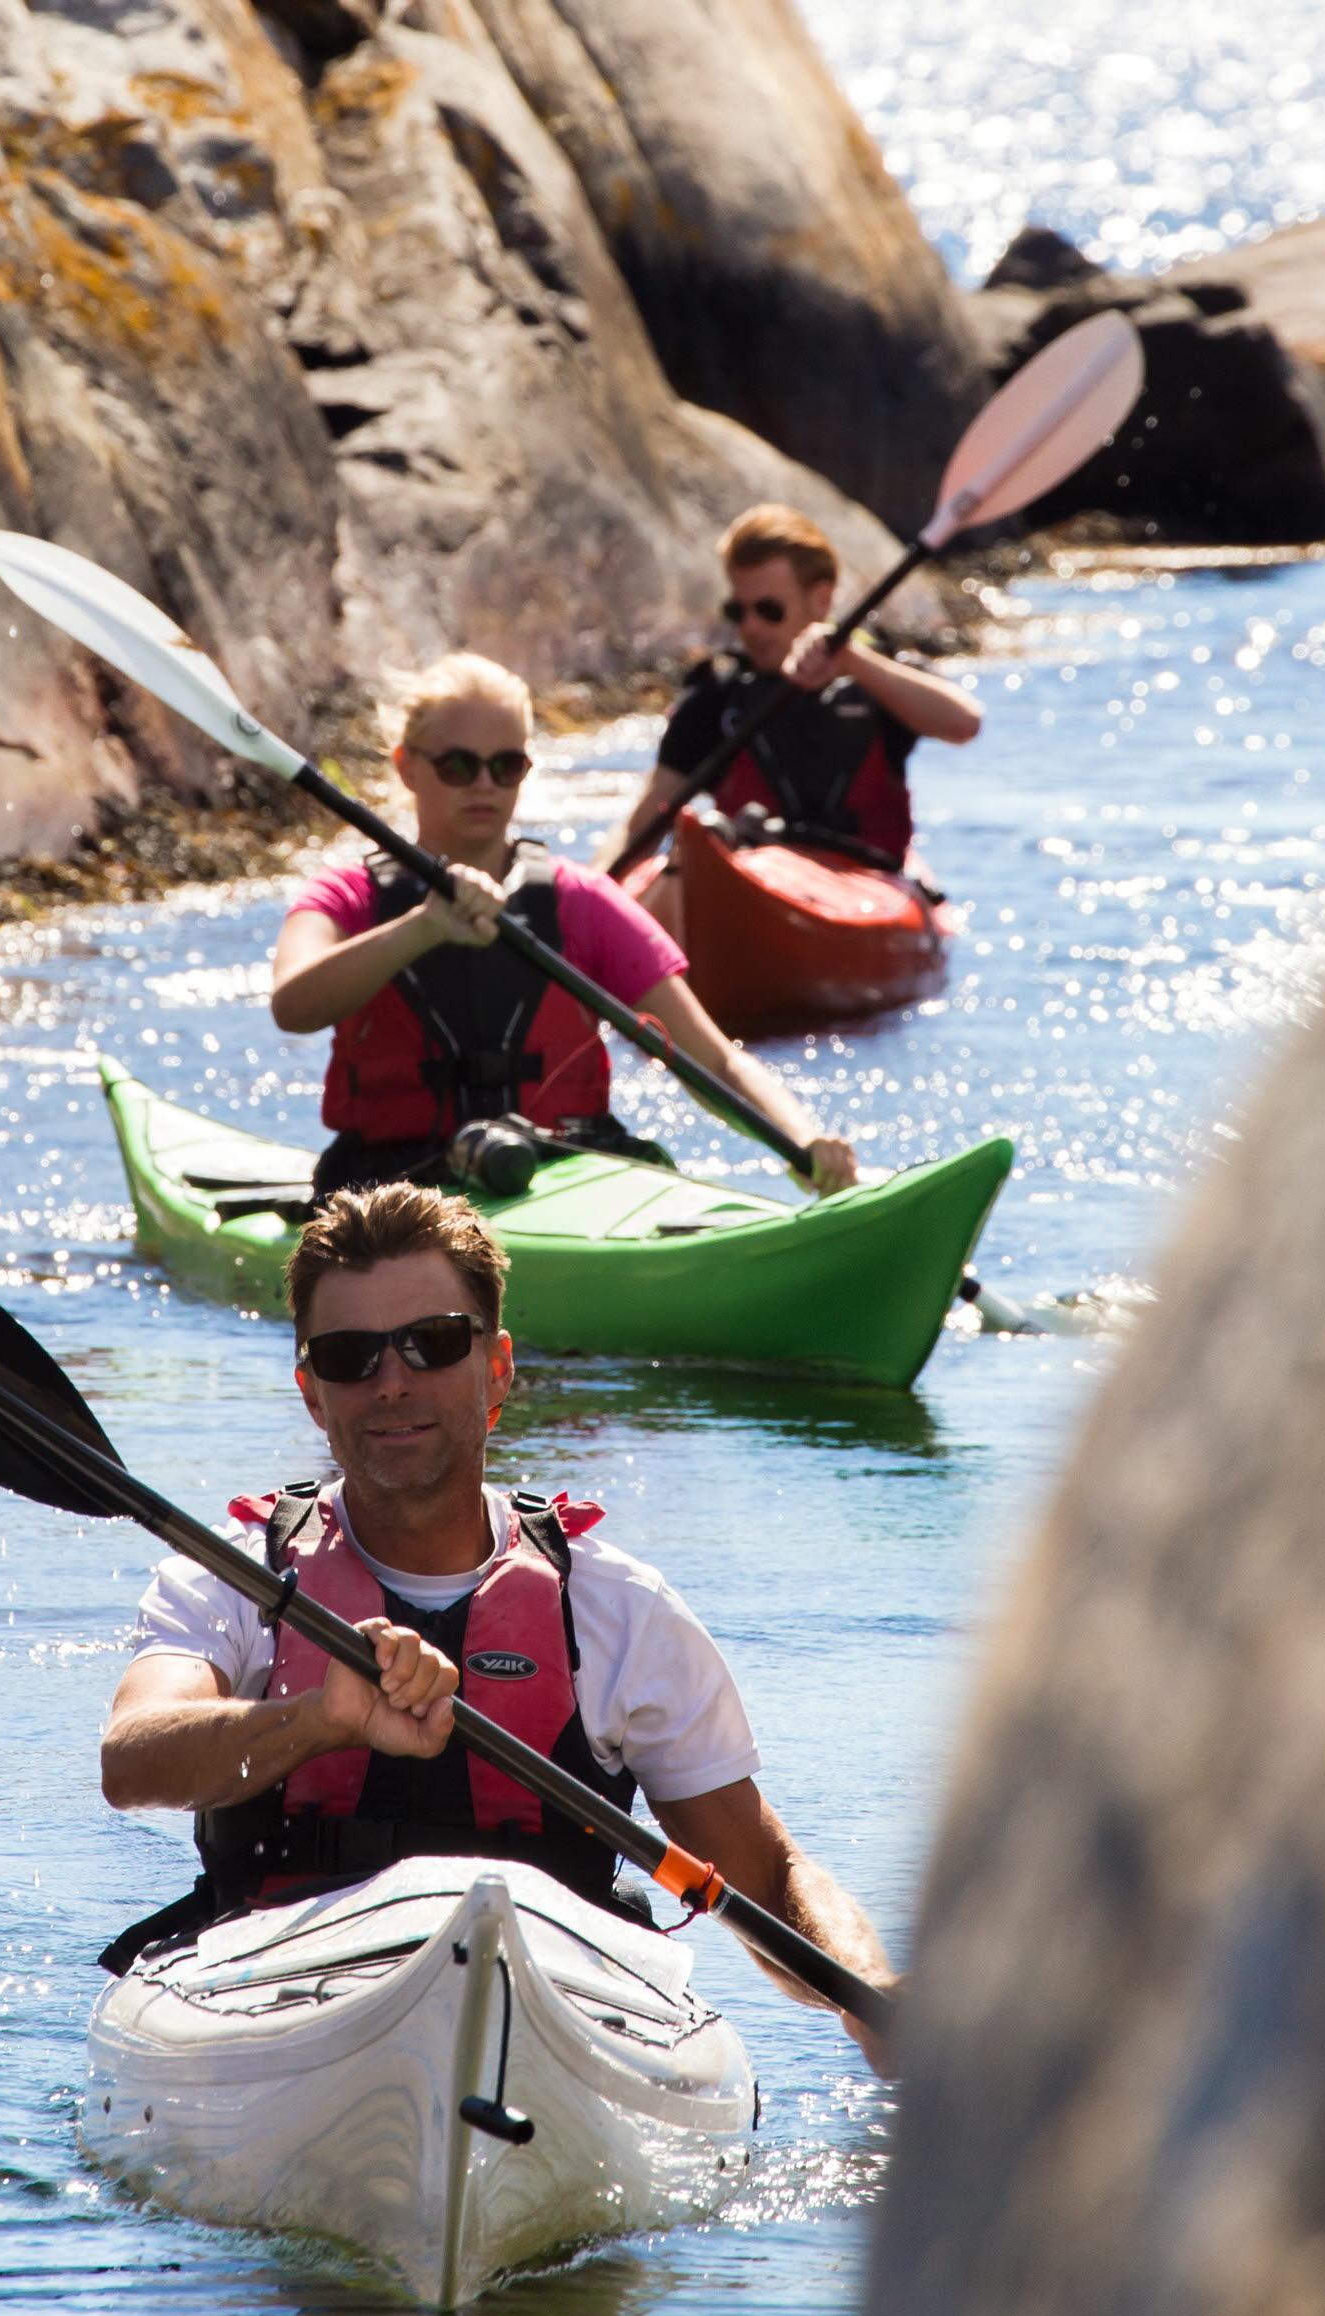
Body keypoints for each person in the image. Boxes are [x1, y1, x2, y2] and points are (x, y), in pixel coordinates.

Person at [99, 1183, 894, 2063]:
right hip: (278, 2000)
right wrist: (321, 1719)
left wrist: (874, 1994)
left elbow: (772, 1881)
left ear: (499, 1370)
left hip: (553, 2013)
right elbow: (132, 1759)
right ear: (313, 1393)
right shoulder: (240, 1575)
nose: (392, 1381)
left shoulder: (617, 1609)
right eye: (350, 1354)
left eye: (432, 1344)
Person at [271, 651, 857, 1197]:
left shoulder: (582, 902)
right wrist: (421, 927)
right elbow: (292, 1005)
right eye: (458, 765)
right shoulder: (347, 896)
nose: (485, 785)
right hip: (394, 1186)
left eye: (507, 766)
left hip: (561, 1173)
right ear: (406, 767)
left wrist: (802, 1140)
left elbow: (716, 1059)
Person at [603, 504, 981, 935]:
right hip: (752, 872)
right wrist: (588, 894)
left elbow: (965, 724)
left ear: (820, 600)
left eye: (769, 610)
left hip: (864, 877)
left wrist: (853, 661)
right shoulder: (718, 694)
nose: (751, 627)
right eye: (737, 611)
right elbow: (644, 821)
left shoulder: (877, 675)